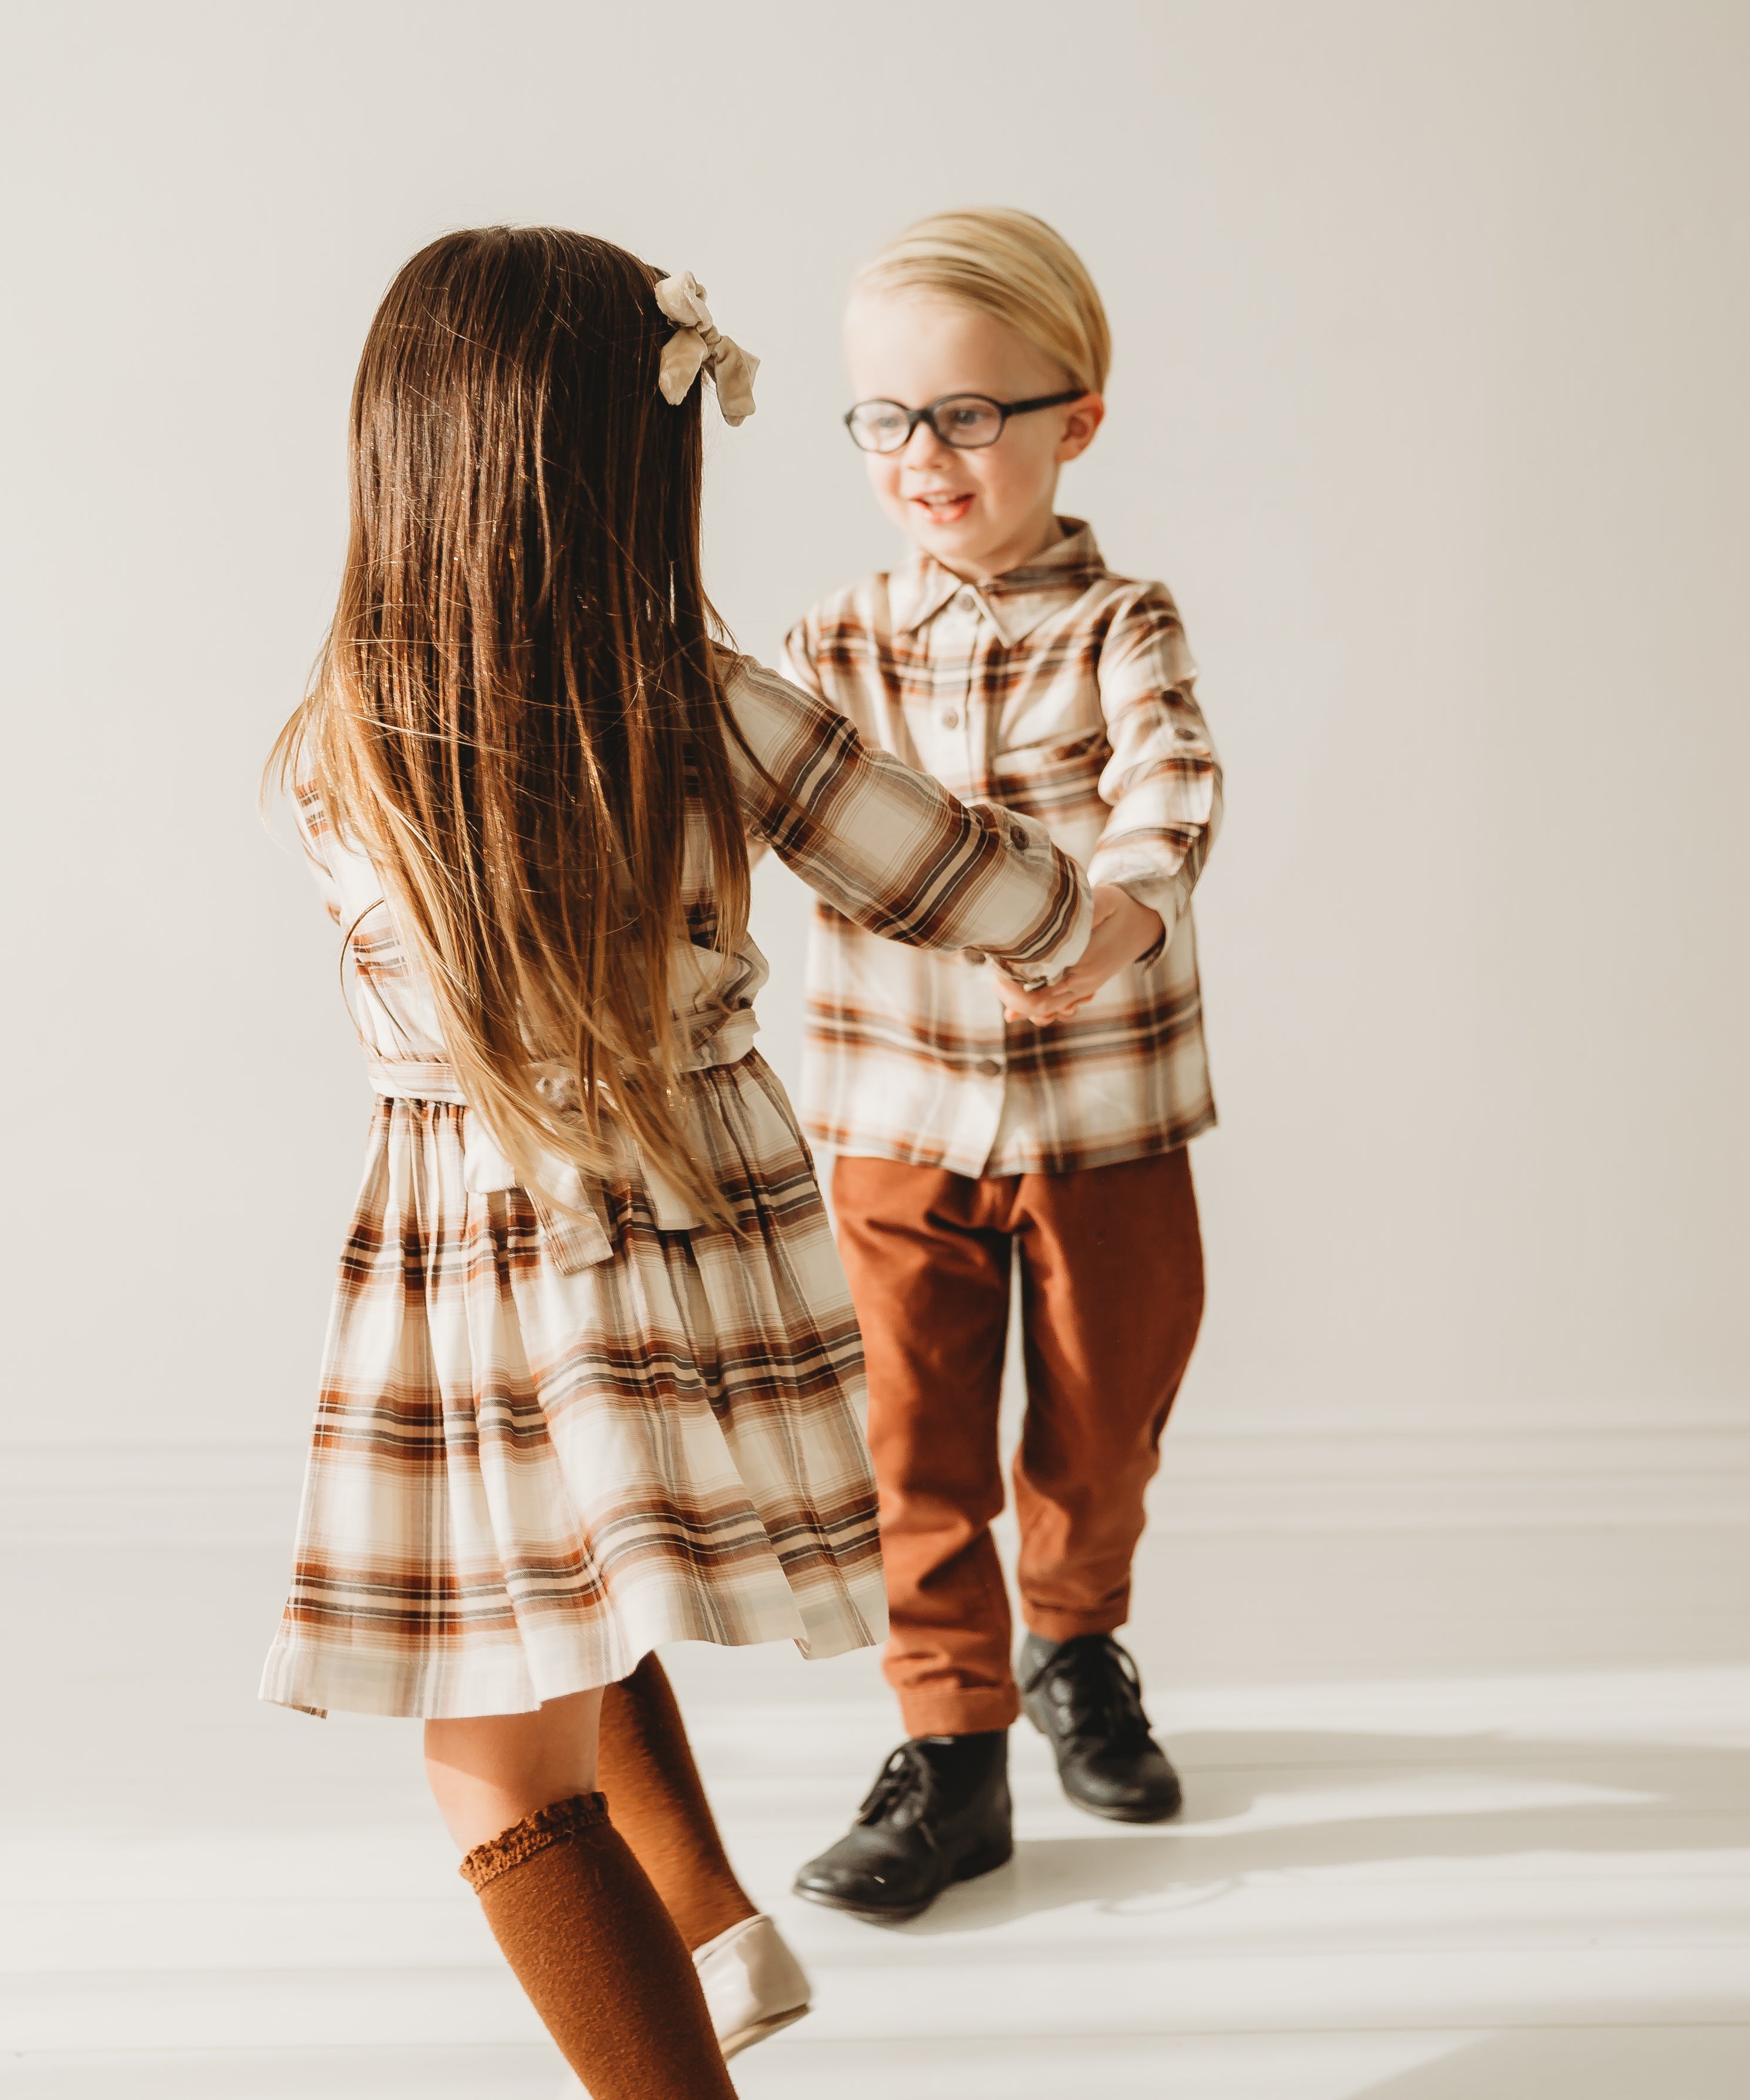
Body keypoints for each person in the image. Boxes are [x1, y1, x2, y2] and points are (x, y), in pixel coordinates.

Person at [259, 227, 1094, 2096]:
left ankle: (687, 2022)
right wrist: (1085, 927)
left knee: (494, 1754)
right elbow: (950, 866)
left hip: (488, 1252)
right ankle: (717, 1930)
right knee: (550, 1594)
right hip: (694, 1240)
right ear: (636, 473)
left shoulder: (346, 746)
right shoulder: (699, 699)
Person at [784, 208, 1222, 1922]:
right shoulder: (832, 644)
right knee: (912, 1443)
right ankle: (950, 1749)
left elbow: (1171, 780)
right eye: (888, 418)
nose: (926, 455)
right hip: (892, 1116)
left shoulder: (1123, 622)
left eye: (970, 414)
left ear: (1073, 418)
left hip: (1107, 1119)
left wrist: (1121, 910)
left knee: (1103, 1426)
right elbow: (762, 797)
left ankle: (1078, 1644)